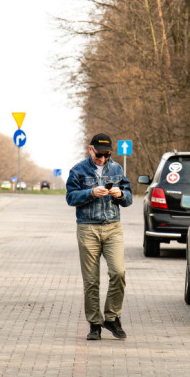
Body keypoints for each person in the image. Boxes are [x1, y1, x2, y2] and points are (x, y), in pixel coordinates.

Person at [66, 133, 133, 340]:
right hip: (88, 228)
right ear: (90, 150)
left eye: (106, 155)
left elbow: (129, 198)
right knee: (91, 280)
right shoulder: (78, 170)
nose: (102, 159)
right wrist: (90, 193)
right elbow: (70, 197)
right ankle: (95, 324)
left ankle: (112, 318)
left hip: (113, 227)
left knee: (118, 273)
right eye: (99, 155)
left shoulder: (117, 169)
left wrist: (120, 195)